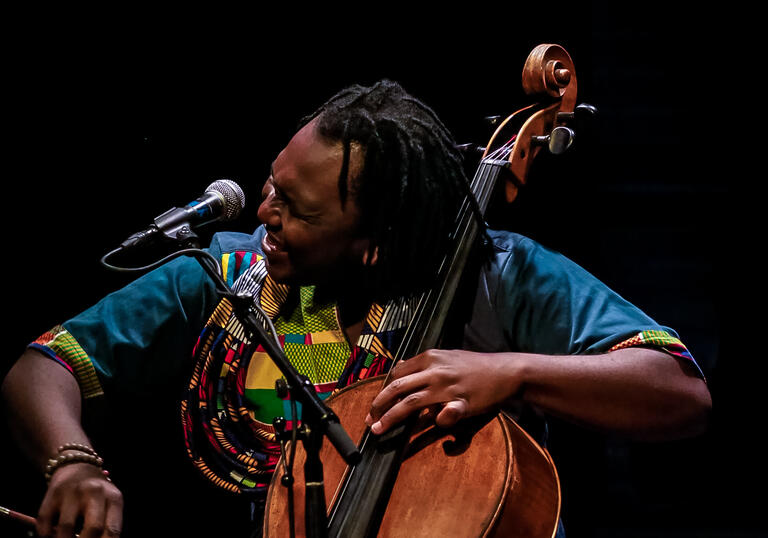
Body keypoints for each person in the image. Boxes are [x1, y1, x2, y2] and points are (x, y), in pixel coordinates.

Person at [1, 80, 711, 538]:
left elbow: (678, 390)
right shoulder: (234, 272)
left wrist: (513, 373)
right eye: (272, 184)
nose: (266, 213)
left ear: (372, 245)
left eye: (298, 209)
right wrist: (74, 463)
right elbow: (46, 365)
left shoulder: (501, 274)